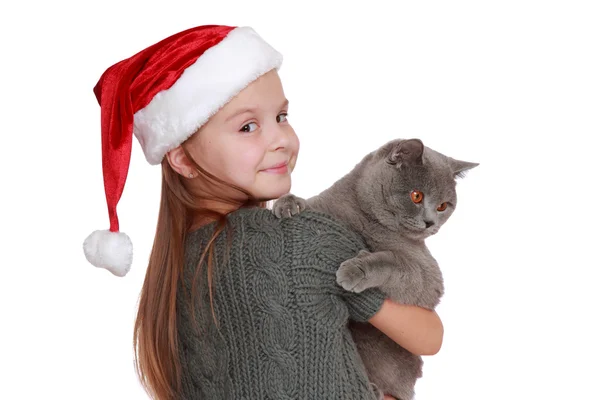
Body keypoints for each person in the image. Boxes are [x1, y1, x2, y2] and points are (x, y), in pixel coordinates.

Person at [82, 25, 443, 400]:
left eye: (282, 117)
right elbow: (429, 335)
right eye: (248, 126)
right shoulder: (305, 241)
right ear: (183, 158)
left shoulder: (174, 273)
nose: (281, 140)